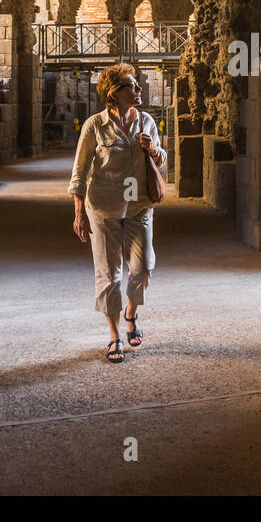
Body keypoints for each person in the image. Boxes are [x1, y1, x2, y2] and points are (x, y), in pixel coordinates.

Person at [69, 63, 166, 362]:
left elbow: (162, 160)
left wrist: (151, 150)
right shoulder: (94, 125)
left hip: (138, 205)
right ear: (114, 93)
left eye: (137, 85)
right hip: (103, 206)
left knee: (142, 267)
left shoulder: (146, 121)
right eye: (131, 86)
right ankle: (114, 336)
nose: (138, 90)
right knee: (109, 274)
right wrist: (78, 212)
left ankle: (130, 313)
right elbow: (79, 170)